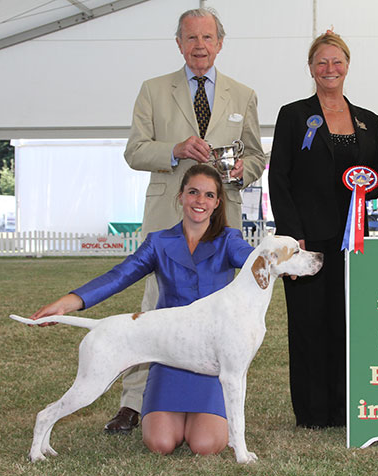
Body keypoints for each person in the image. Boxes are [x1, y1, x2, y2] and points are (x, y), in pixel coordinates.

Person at [111, 7, 266, 433]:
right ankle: (133, 401)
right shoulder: (153, 90)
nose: (200, 46)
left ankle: (212, 396)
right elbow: (135, 151)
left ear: (220, 43)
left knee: (221, 311)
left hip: (220, 218)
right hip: (167, 214)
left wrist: (240, 173)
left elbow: (256, 155)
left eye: (208, 38)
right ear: (179, 43)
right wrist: (175, 149)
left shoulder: (243, 94)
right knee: (153, 306)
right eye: (191, 38)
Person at [31, 165, 254, 455]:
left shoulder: (230, 240)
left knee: (206, 444)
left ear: (217, 202)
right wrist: (68, 302)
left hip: (211, 361)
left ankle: (207, 421)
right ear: (181, 196)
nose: (200, 200)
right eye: (193, 192)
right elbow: (119, 276)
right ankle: (44, 428)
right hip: (167, 352)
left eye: (209, 195)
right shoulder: (159, 242)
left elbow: (256, 262)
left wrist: (285, 257)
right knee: (160, 443)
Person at [268, 31, 378, 428]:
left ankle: (345, 405)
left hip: (355, 241)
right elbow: (279, 177)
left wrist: (370, 183)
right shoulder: (293, 115)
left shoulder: (368, 121)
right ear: (311, 68)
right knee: (308, 323)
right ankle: (313, 410)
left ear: (348, 66)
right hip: (307, 240)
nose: (329, 69)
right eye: (322, 62)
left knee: (349, 321)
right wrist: (291, 233)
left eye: (337, 61)